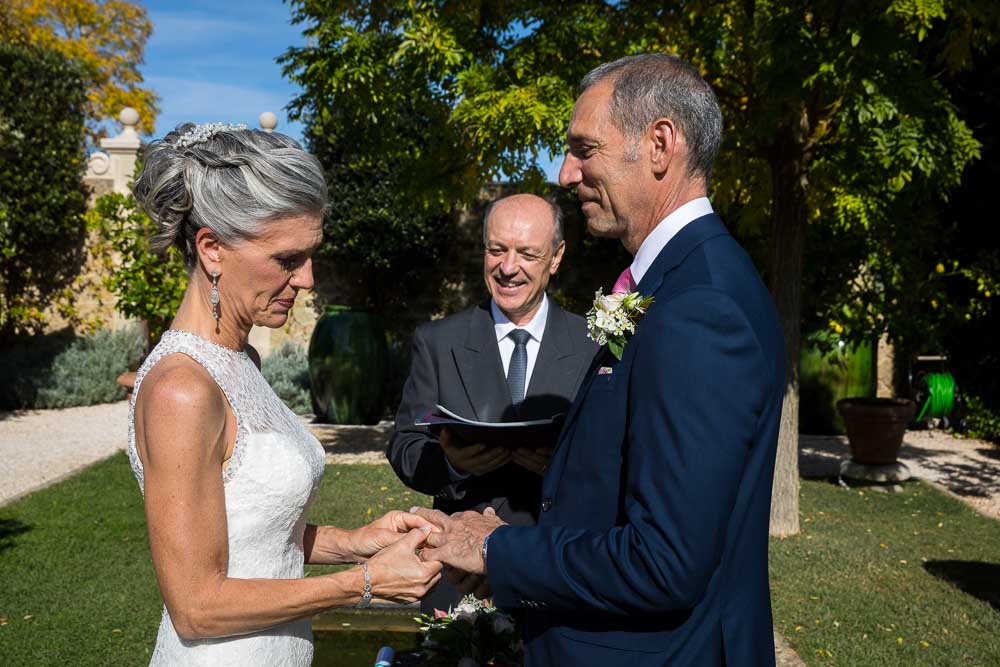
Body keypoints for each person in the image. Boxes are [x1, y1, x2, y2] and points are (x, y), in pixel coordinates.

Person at [413, 54, 787, 666]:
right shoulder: (675, 281)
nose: (565, 173)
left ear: (660, 145)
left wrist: (498, 552)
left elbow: (664, 562)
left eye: (585, 149)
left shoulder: (701, 305)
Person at [127, 122, 441, 666]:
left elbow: (252, 533)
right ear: (212, 250)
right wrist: (363, 582)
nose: (308, 279)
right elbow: (197, 606)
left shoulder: (238, 360)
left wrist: (354, 541)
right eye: (288, 259)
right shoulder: (182, 389)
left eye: (310, 255)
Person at [387, 193, 594, 612]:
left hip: (558, 568)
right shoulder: (438, 342)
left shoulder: (595, 346)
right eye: (496, 249)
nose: (508, 267)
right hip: (460, 578)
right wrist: (453, 464)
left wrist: (565, 465)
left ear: (556, 258)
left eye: (527, 253)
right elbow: (404, 446)